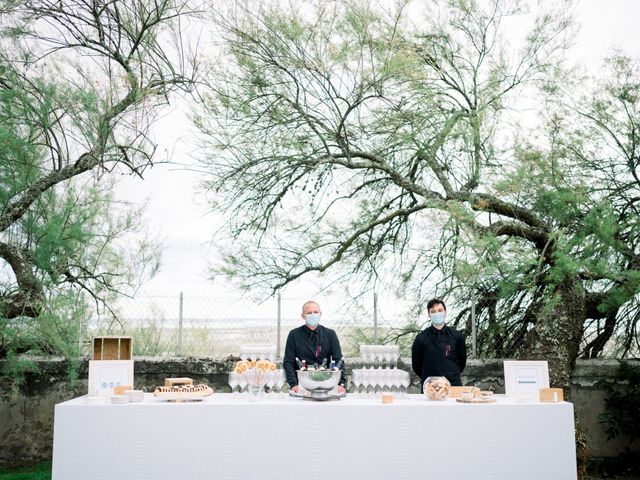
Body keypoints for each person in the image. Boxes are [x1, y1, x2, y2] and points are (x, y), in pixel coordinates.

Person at [283, 300, 347, 394]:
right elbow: (288, 362)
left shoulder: (330, 334)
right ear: (303, 316)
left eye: (316, 312)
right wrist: (294, 384)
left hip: (327, 386)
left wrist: (341, 384)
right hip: (302, 386)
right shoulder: (294, 335)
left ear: (320, 314)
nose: (313, 315)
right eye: (309, 313)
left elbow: (339, 360)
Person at [411, 298, 467, 387]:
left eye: (440, 310)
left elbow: (462, 362)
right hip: (430, 388)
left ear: (445, 312)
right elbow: (416, 365)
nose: (437, 313)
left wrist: (451, 375)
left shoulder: (457, 336)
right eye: (433, 311)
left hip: (453, 385)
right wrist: (429, 379)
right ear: (429, 315)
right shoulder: (421, 338)